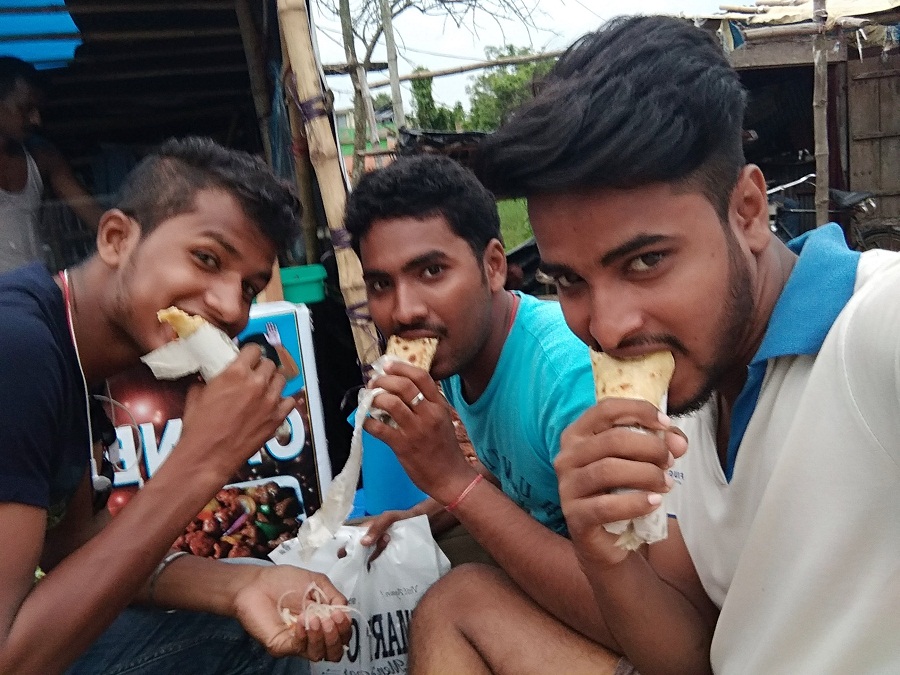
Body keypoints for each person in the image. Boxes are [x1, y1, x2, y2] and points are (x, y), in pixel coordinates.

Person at [410, 14, 900, 675]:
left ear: (748, 211)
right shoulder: (685, 396)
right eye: (569, 280)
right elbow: (690, 654)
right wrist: (605, 553)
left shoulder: (870, 329)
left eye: (645, 261)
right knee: (454, 601)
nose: (608, 329)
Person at [0, 136, 351, 675]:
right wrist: (202, 459)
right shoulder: (18, 350)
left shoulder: (76, 356)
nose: (230, 307)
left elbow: (71, 546)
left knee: (256, 624)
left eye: (250, 287)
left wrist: (246, 583)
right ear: (116, 239)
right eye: (206, 258)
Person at [343, 154, 623, 674]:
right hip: (558, 560)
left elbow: (635, 613)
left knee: (454, 600)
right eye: (381, 284)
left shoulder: (568, 379)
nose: (404, 311)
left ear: (493, 266)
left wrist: (452, 480)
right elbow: (519, 472)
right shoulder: (458, 352)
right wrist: (422, 515)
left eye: (431, 271)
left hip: (628, 622)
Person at [0, 56, 105, 274]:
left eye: (38, 110)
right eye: (26, 109)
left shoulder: (42, 156)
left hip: (34, 288)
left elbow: (93, 215)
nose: (36, 120)